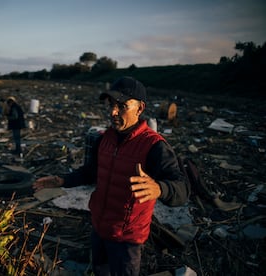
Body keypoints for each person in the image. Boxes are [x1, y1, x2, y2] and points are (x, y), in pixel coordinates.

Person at [32, 76, 190, 276]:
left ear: (140, 108)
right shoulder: (105, 139)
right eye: (111, 105)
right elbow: (91, 172)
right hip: (99, 228)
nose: (113, 112)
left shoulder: (154, 146)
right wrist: (62, 180)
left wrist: (159, 188)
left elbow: (182, 190)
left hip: (127, 240)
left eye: (122, 106)